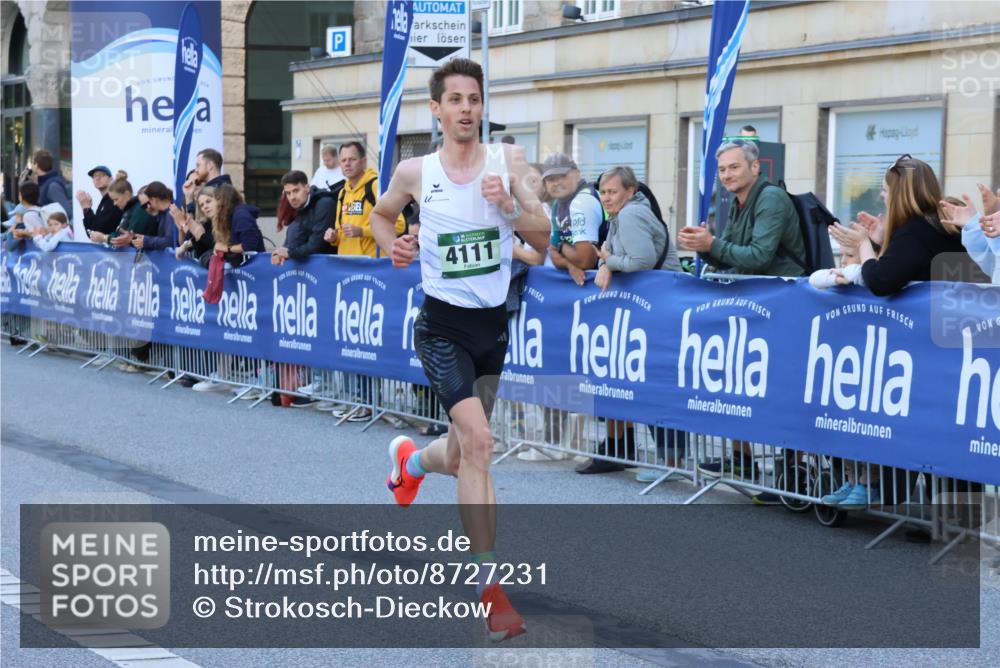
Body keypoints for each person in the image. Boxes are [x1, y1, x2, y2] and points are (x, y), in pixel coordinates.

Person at [369, 57, 548, 643]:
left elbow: (542, 240)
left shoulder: (510, 162)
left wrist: (511, 208)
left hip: (492, 328)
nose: (467, 109)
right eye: (457, 100)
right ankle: (491, 592)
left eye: (475, 99)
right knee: (481, 443)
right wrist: (393, 247)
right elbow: (381, 215)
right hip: (441, 326)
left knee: (465, 453)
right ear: (437, 110)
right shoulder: (416, 169)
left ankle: (412, 462)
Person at [575, 166, 682, 475]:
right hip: (652, 308)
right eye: (603, 192)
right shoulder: (624, 214)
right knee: (647, 384)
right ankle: (668, 461)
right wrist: (610, 264)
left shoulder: (631, 215)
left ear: (630, 192)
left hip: (660, 308)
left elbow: (641, 261)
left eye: (613, 192)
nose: (606, 198)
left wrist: (609, 262)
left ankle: (671, 462)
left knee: (657, 386)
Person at [322, 141, 405, 422]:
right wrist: (334, 236)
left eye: (351, 159)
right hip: (345, 273)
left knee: (366, 340)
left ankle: (370, 400)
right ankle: (354, 398)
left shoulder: (375, 187)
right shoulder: (343, 191)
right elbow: (340, 229)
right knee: (349, 337)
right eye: (343, 159)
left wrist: (363, 230)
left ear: (362, 160)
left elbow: (399, 224)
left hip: (370, 274)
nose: (346, 164)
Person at [829, 155, 981, 297]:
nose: (882, 195)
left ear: (898, 195)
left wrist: (863, 243)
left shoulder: (914, 231)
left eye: (885, 190)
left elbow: (880, 282)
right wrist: (882, 242)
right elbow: (914, 262)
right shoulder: (939, 223)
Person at [678, 139, 806, 277]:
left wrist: (712, 244)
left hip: (782, 291)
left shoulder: (771, 198)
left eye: (734, 167)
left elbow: (759, 257)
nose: (726, 175)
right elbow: (726, 260)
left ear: (755, 167)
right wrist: (702, 245)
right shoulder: (738, 203)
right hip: (757, 290)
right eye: (722, 170)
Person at [541, 153, 602, 286]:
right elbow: (552, 253)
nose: (556, 183)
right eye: (551, 179)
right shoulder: (557, 205)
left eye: (562, 176)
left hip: (611, 285)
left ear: (577, 175)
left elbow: (585, 261)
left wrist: (561, 246)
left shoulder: (583, 200)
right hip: (590, 284)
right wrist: (570, 265)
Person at [271, 171, 337, 267]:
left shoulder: (325, 204)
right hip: (310, 270)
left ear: (307, 188)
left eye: (296, 191)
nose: (292, 197)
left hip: (327, 269)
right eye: (288, 193)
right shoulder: (301, 206)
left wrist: (289, 253)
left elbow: (317, 245)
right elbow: (294, 238)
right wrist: (280, 253)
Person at [88, 177, 158, 247]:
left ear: (127, 194)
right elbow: (123, 235)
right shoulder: (129, 210)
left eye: (116, 199)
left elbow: (127, 238)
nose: (114, 204)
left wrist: (104, 237)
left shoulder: (140, 209)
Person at [173, 186, 218, 266]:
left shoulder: (229, 219)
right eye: (202, 205)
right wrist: (187, 243)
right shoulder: (206, 223)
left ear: (218, 200)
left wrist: (200, 235)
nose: (205, 207)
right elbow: (199, 249)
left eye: (208, 201)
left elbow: (217, 246)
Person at [131, 182, 179, 252]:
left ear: (155, 200)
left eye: (149, 202)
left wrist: (146, 241)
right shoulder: (161, 215)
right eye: (144, 206)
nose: (148, 207)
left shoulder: (170, 213)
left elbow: (171, 241)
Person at [77, 165, 120, 235]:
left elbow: (97, 231)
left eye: (102, 175)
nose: (97, 178)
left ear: (111, 179)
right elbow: (91, 233)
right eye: (94, 176)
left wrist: (86, 208)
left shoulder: (113, 200)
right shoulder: (104, 201)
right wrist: (87, 209)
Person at [31, 149, 72, 218]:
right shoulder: (45, 183)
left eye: (32, 162)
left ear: (36, 165)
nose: (31, 165)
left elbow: (67, 212)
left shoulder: (52, 186)